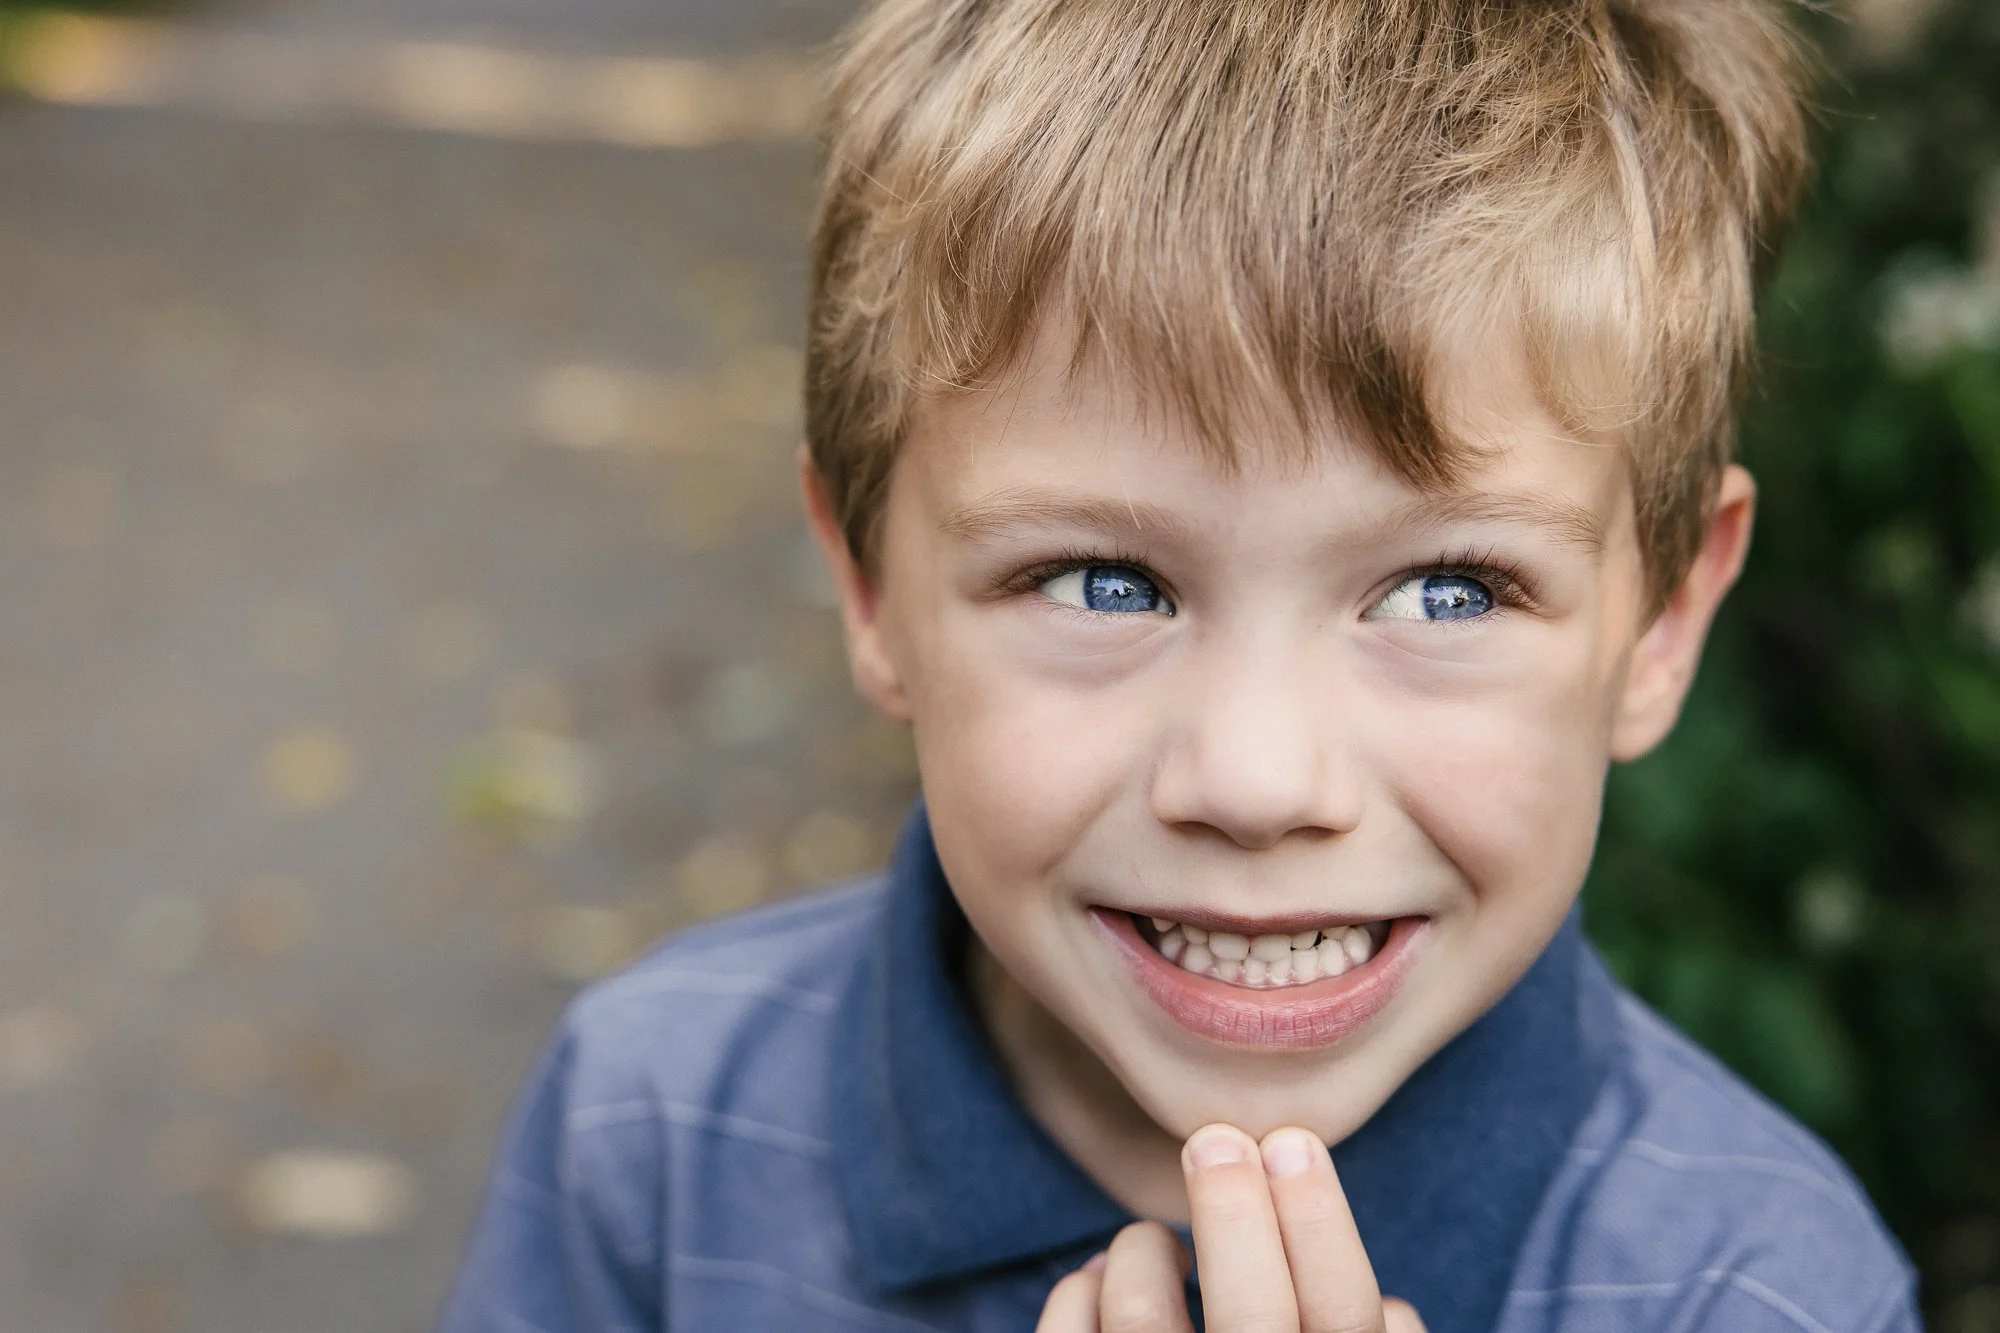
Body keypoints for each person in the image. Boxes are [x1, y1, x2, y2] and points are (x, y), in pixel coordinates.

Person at [438, 0, 1923, 1329]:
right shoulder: (656, 1142)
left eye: (1448, 593)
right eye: (1105, 584)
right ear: (872, 589)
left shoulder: (1758, 1290)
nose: (1257, 781)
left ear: (1661, 620)